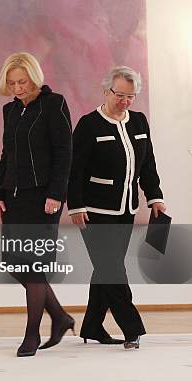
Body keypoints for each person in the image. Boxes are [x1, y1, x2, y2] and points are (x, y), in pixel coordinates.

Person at [67, 66, 166, 350]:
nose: (124, 101)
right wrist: (75, 205)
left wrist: (154, 196)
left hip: (126, 210)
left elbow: (148, 164)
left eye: (130, 96)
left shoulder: (139, 122)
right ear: (106, 90)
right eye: (119, 95)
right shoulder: (89, 124)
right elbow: (74, 170)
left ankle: (93, 325)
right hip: (94, 211)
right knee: (111, 267)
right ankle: (132, 327)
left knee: (105, 268)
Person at [0, 52, 75, 357]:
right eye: (12, 83)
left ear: (34, 77)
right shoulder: (10, 111)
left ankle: (32, 335)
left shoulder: (55, 104)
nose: (17, 88)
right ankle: (61, 317)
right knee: (14, 263)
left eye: (22, 81)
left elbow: (65, 152)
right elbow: (7, 155)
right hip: (14, 198)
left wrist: (56, 194)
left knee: (35, 265)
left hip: (44, 199)